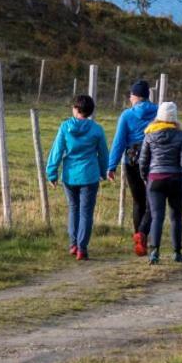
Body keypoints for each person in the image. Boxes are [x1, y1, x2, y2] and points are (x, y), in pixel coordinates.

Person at [45, 94, 109, 261]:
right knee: (86, 213)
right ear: (90, 111)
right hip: (89, 175)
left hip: (70, 176)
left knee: (73, 209)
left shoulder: (65, 127)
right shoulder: (97, 129)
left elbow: (57, 151)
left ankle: (73, 244)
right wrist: (104, 172)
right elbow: (103, 154)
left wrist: (52, 173)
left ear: (75, 109)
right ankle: (82, 248)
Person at [139, 101, 182, 264]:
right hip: (176, 179)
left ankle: (154, 252)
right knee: (176, 217)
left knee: (157, 216)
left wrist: (145, 177)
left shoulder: (149, 135)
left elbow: (143, 160)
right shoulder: (181, 135)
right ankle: (177, 252)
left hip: (155, 179)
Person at [107, 80, 159, 257]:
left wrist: (111, 165)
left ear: (135, 96)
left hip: (132, 161)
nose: (129, 98)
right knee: (153, 201)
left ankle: (139, 237)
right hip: (154, 161)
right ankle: (145, 234)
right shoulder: (159, 112)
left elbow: (119, 141)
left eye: (131, 95)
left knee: (138, 201)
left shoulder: (127, 115)